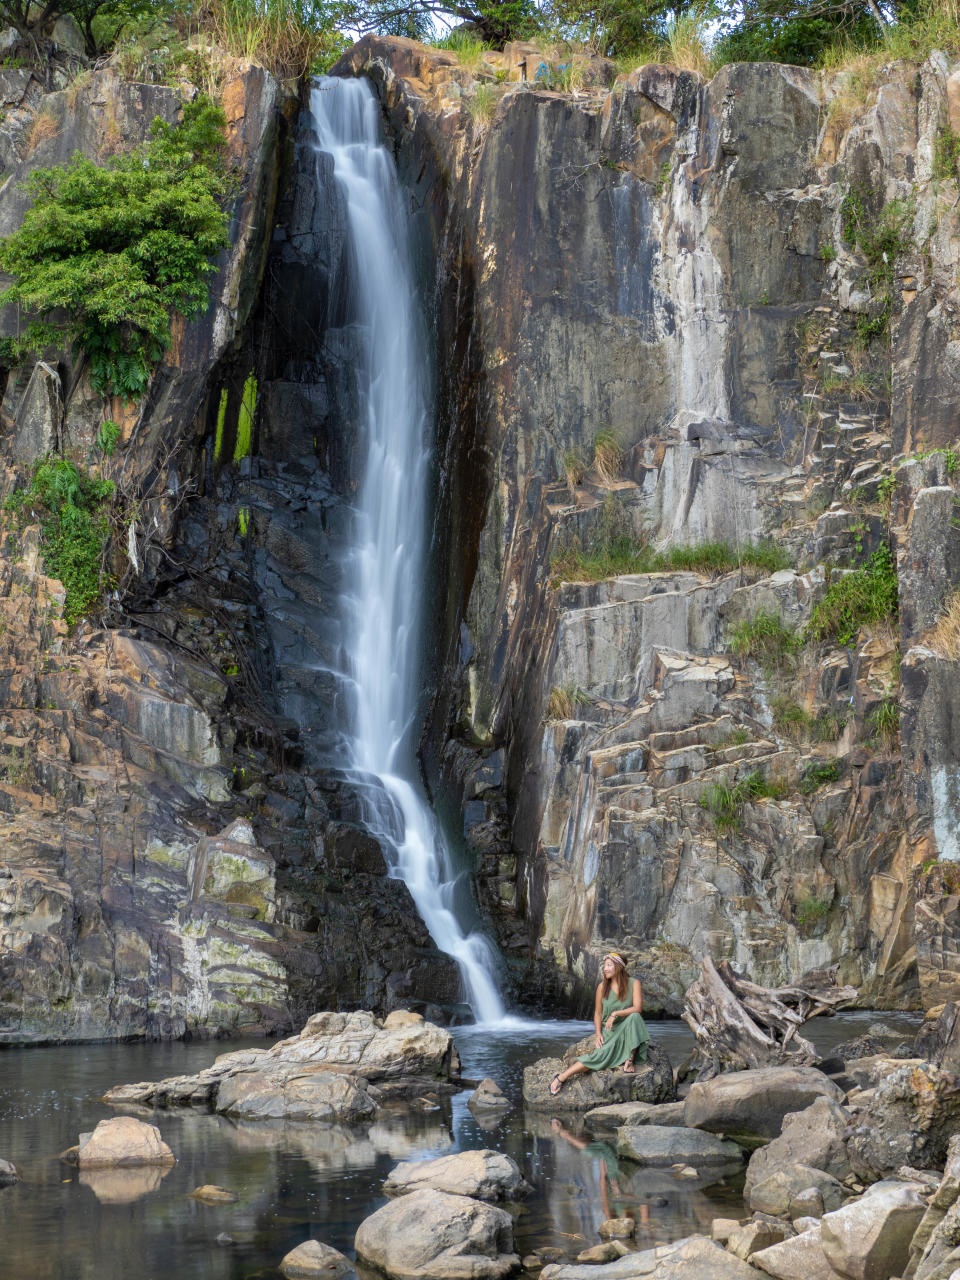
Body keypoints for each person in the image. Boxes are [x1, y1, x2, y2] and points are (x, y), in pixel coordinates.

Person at [549, 951, 649, 1096]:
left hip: (628, 1025)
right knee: (599, 1056)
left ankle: (629, 1059)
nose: (605, 969)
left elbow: (637, 1008)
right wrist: (598, 1034)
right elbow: (597, 1013)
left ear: (619, 967)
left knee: (635, 1017)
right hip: (610, 1030)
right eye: (604, 966)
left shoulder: (634, 983)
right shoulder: (602, 987)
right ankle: (561, 1077)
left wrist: (615, 1014)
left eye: (609, 965)